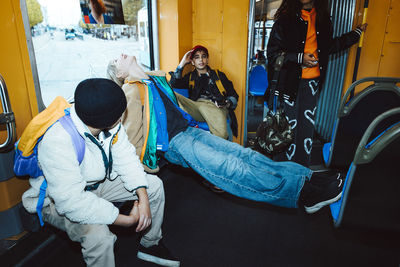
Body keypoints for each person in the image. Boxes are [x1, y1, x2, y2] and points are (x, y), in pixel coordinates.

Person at [107, 54, 344, 215]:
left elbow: (172, 89)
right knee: (233, 168)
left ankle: (306, 177)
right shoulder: (130, 90)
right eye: (118, 59)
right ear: (119, 72)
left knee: (246, 155)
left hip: (190, 130)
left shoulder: (153, 79)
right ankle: (303, 195)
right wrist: (142, 184)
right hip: (177, 144)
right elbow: (133, 137)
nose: (122, 55)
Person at [21, 79, 180, 267]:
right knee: (99, 238)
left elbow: (126, 158)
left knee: (153, 186)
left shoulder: (109, 124)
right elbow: (71, 202)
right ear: (106, 119)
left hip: (97, 182)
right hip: (58, 200)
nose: (123, 116)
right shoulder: (58, 140)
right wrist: (127, 220)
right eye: (121, 113)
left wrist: (143, 198)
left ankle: (150, 244)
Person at [265, 0, 368, 166]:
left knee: (306, 130)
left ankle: (302, 173)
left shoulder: (323, 20)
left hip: (312, 84)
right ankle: (283, 173)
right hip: (289, 84)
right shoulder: (285, 20)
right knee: (287, 130)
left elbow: (330, 47)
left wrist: (355, 34)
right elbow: (272, 55)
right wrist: (299, 58)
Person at [169, 45, 239, 140]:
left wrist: (227, 103)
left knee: (221, 136)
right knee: (171, 94)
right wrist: (182, 64)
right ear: (192, 62)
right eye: (197, 57)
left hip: (215, 107)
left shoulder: (219, 75)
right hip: (196, 107)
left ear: (207, 59)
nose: (201, 60)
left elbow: (233, 95)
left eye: (204, 56)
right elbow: (174, 84)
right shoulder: (190, 77)